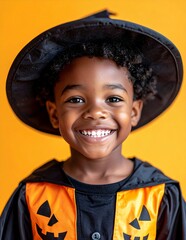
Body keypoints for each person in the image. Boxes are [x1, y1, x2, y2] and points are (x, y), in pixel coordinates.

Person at [1, 10, 186, 240]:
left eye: (113, 99)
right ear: (55, 113)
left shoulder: (159, 196)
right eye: (76, 99)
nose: (96, 112)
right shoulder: (33, 196)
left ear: (134, 111)